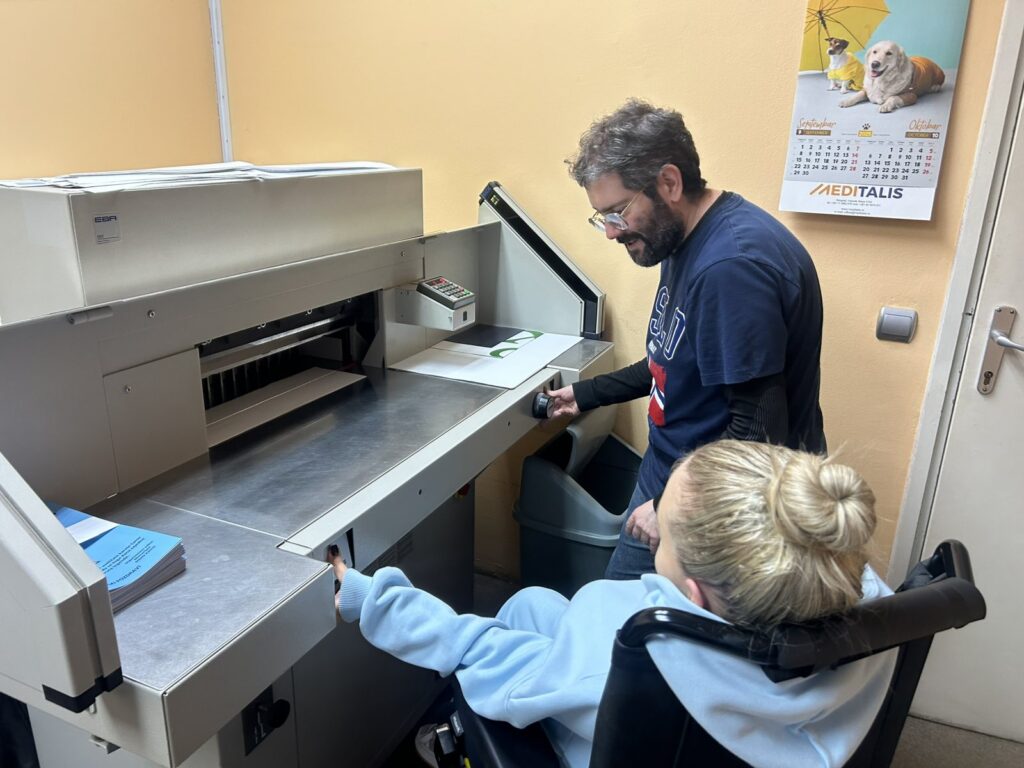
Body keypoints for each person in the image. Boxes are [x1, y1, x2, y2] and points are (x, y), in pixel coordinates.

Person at [333, 440, 896, 768]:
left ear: (693, 594)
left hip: (621, 742)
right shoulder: (865, 612)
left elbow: (471, 646)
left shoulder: (635, 651)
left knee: (491, 657)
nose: (650, 535)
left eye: (663, 536)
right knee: (532, 603)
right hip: (743, 737)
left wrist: (372, 596)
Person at [545, 99, 827, 579]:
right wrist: (585, 394)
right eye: (602, 217)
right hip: (672, 478)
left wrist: (669, 508)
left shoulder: (732, 268)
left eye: (617, 212)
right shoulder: (682, 237)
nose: (611, 232)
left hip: (711, 508)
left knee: (627, 620)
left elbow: (758, 432)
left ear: (669, 183)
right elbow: (673, 360)